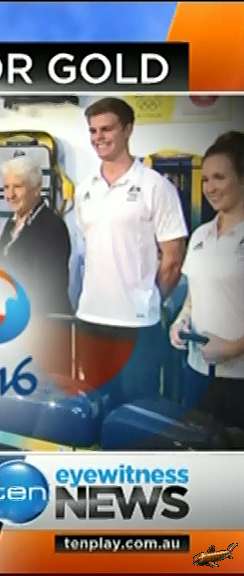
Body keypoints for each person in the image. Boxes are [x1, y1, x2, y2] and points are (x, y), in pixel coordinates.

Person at [72, 97, 188, 405]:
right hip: (90, 319)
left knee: (136, 415)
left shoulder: (155, 186)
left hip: (137, 327)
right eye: (93, 130)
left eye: (107, 129)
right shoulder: (84, 189)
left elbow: (173, 259)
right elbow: (89, 251)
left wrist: (147, 300)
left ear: (128, 129)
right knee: (94, 410)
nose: (99, 137)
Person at [169, 130, 244, 430]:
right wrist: (180, 320)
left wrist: (234, 348)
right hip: (197, 373)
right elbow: (194, 295)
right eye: (206, 179)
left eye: (219, 178)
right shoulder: (201, 234)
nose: (210, 188)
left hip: (238, 379)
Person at [0, 155, 74, 379]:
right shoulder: (12, 224)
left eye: (17, 187)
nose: (10, 195)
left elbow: (49, 286)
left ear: (37, 188)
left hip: (43, 333)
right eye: (6, 187)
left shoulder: (51, 226)